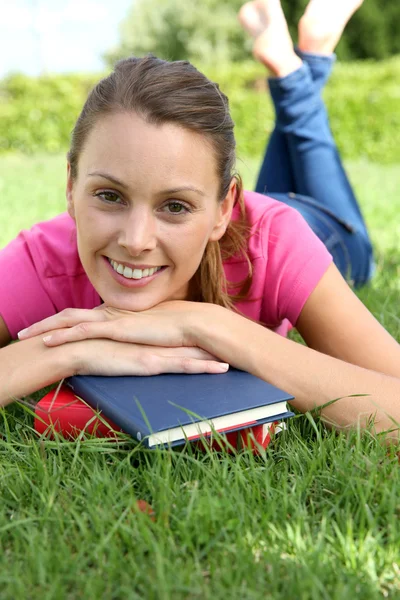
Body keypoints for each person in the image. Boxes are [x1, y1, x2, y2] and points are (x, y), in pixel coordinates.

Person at [0, 0, 399, 440]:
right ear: (71, 187)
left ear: (224, 209)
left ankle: (305, 63)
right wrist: (63, 352)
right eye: (110, 196)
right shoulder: (45, 260)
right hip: (235, 203)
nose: (136, 240)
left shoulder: (276, 241)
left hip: (326, 229)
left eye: (174, 206)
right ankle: (301, 61)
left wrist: (208, 324)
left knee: (311, 149)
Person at [239, 0, 374, 288]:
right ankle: (306, 62)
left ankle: (298, 66)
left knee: (360, 256)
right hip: (253, 214)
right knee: (294, 131)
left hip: (286, 243)